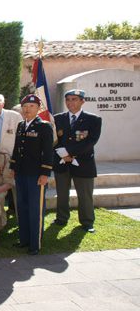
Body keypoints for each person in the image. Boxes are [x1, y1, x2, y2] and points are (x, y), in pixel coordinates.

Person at [53, 89, 102, 233]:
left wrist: (70, 153)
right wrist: (63, 154)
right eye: (68, 99)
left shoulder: (93, 119)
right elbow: (54, 139)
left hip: (83, 163)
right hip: (62, 162)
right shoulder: (57, 118)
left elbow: (91, 141)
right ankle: (61, 218)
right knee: (62, 193)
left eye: (74, 99)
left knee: (85, 195)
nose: (70, 102)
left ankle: (87, 222)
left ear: (82, 101)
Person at [10, 94, 53, 255]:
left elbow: (48, 152)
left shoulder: (44, 126)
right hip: (21, 173)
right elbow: (17, 148)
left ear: (38, 109)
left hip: (36, 175)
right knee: (22, 206)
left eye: (31, 107)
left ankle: (35, 244)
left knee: (35, 209)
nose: (27, 110)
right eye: (25, 107)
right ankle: (24, 239)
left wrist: (45, 173)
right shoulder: (21, 125)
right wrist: (13, 167)